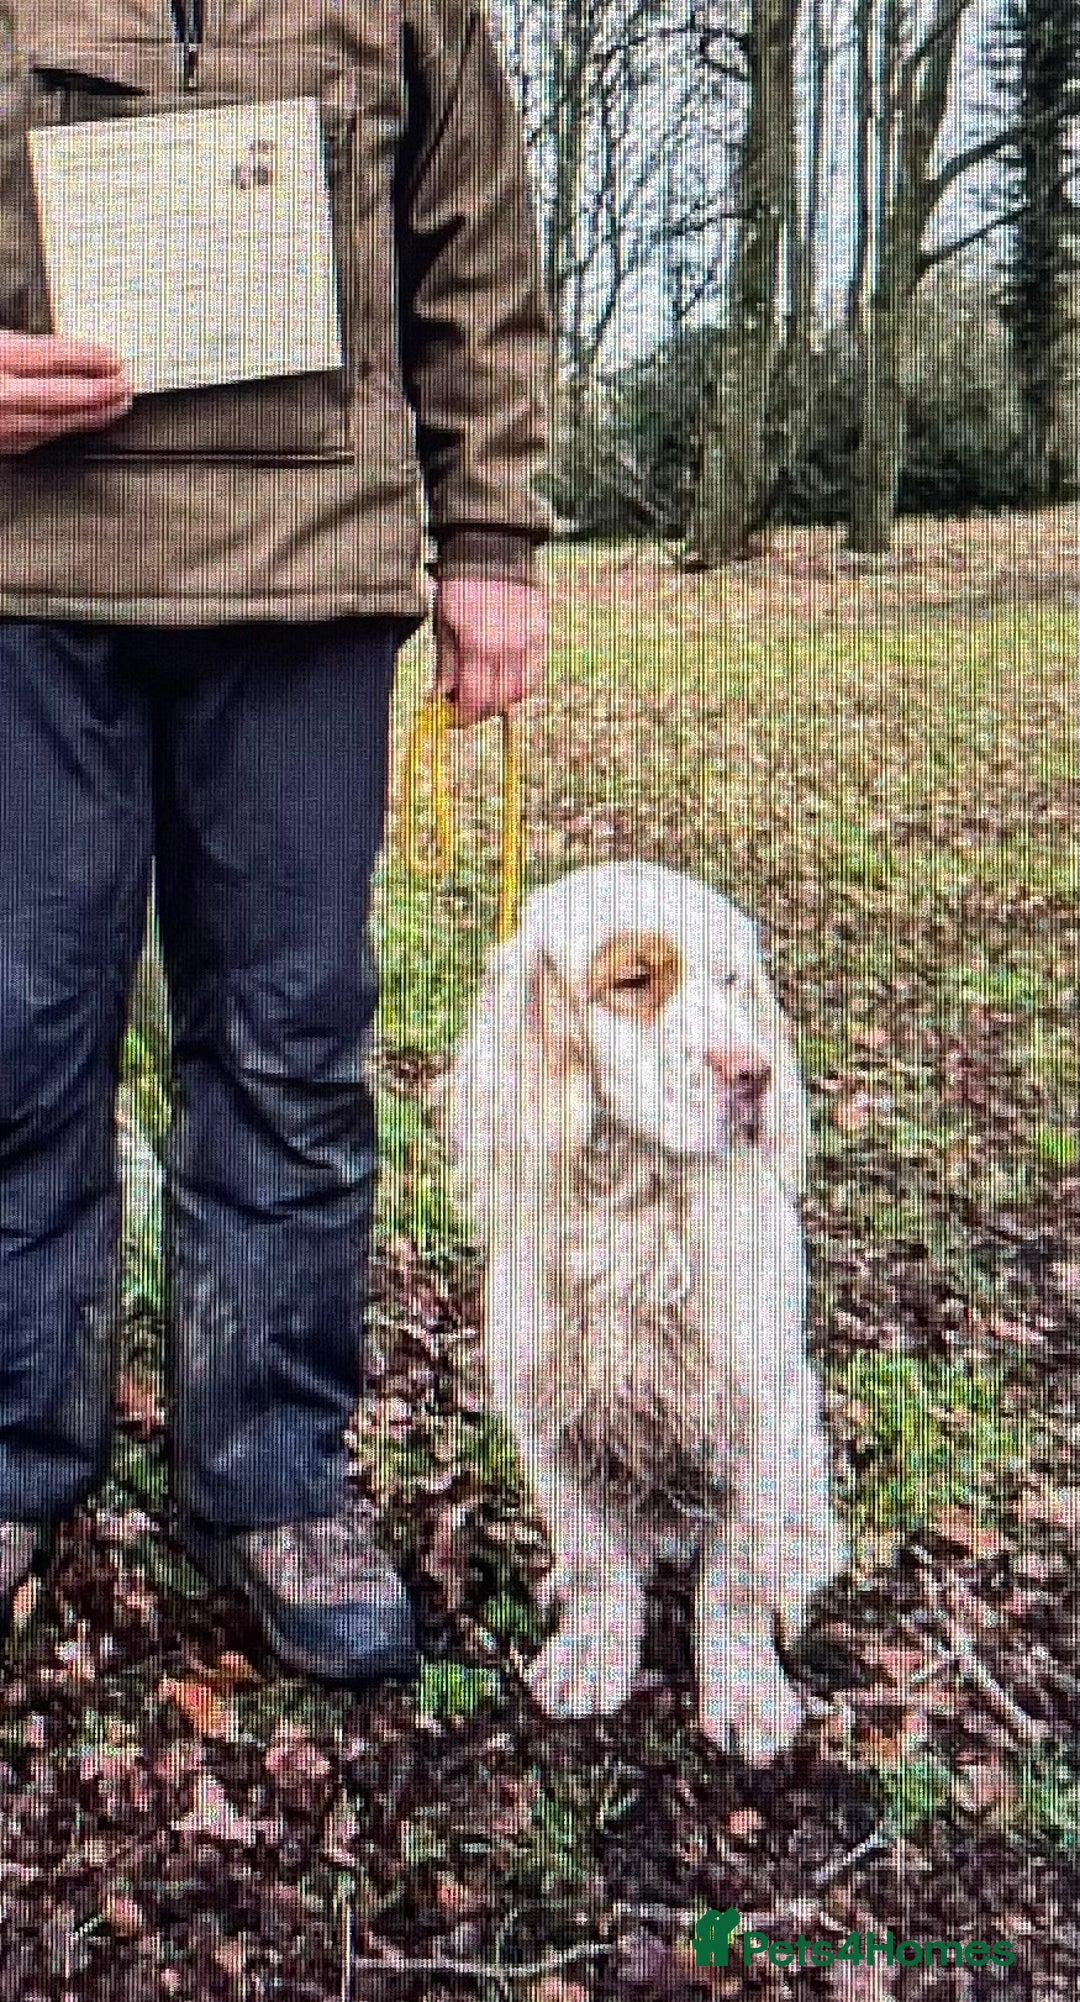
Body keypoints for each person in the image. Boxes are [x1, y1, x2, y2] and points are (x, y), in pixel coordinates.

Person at [0, 0, 551, 1684]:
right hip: (26, 589)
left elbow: (476, 243)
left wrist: (495, 533)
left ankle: (273, 1476)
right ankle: (15, 1456)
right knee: (16, 1036)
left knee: (291, 1039)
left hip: (308, 579)